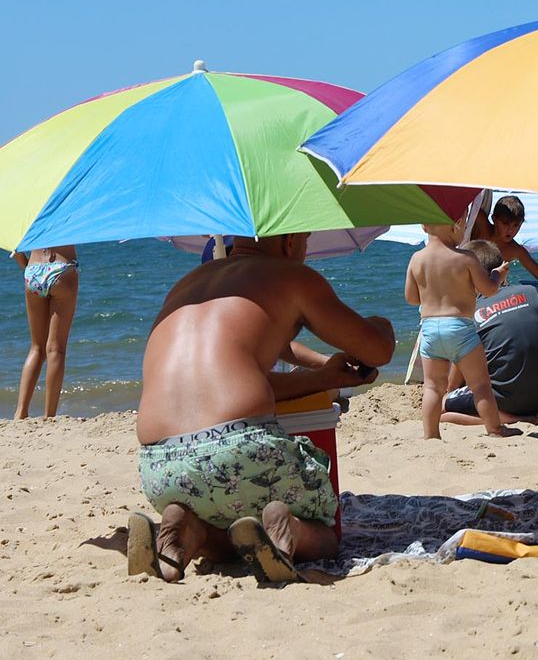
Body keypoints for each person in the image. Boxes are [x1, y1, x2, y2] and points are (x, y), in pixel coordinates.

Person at [131, 233, 394, 583]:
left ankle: (187, 528)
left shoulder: (184, 287)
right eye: (306, 242)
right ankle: (292, 532)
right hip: (242, 452)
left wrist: (323, 377)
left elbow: (233, 384)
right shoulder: (292, 277)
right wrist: (383, 325)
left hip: (160, 469)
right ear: (289, 242)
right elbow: (377, 350)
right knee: (328, 532)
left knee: (230, 521)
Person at [441, 241, 538, 426]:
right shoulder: (532, 293)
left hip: (507, 401)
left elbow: (453, 384)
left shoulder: (470, 313)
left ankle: (514, 419)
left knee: (442, 409)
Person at [405, 221, 513, 439]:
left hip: (429, 329)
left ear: (424, 227)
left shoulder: (416, 259)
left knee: (433, 387)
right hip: (459, 328)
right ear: (454, 226)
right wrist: (498, 275)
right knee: (480, 384)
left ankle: (431, 435)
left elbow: (411, 298)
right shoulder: (465, 258)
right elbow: (489, 289)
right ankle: (494, 429)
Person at [13, 245, 78, 420]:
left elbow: (16, 248)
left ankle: (20, 412)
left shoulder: (30, 217)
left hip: (33, 270)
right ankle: (49, 416)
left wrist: (27, 267)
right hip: (62, 269)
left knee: (36, 348)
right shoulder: (68, 215)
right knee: (56, 349)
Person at [487, 196, 538, 284]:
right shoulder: (483, 230)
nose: (510, 230)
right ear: (494, 219)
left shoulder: (515, 250)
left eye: (516, 225)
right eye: (505, 223)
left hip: (492, 288)